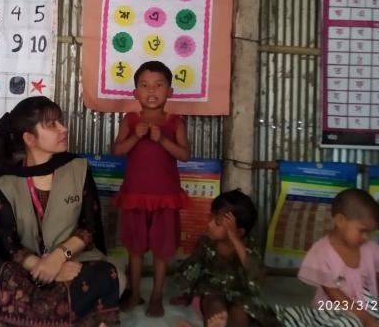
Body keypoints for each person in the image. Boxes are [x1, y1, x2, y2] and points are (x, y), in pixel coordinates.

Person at [0, 96, 121, 326]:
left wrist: (57, 259)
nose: (63, 129)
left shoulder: (77, 169)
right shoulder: (8, 182)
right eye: (52, 124)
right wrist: (42, 267)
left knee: (109, 275)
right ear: (29, 138)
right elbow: (9, 244)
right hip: (27, 269)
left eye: (61, 121)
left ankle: (22, 318)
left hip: (75, 262)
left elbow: (88, 228)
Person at [112, 60, 190, 317]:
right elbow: (118, 150)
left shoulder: (175, 122)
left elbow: (185, 155)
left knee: (162, 250)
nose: (151, 90)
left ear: (170, 91)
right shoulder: (130, 119)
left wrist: (162, 139)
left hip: (165, 197)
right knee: (134, 249)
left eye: (159, 84)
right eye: (144, 85)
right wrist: (136, 136)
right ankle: (134, 295)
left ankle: (156, 296)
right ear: (135, 93)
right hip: (134, 196)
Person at [174, 189, 280, 327]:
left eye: (217, 222)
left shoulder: (248, 246)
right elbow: (193, 266)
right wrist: (186, 293)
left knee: (240, 315)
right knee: (215, 308)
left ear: (239, 232)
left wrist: (235, 240)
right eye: (210, 217)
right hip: (212, 289)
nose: (209, 224)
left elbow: (258, 275)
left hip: (241, 293)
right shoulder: (206, 241)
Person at [299, 188, 379, 327]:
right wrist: (366, 319)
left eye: (370, 232)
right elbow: (334, 296)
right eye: (362, 231)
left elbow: (376, 281)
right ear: (340, 220)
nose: (366, 237)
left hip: (369, 308)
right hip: (332, 310)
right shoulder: (321, 252)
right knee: (347, 323)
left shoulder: (371, 249)